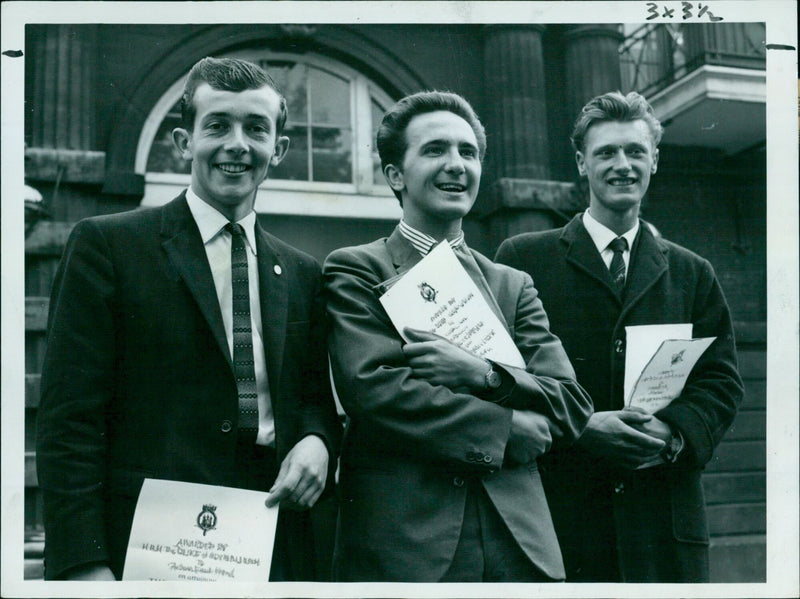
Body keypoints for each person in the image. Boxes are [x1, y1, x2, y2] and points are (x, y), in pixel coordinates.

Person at [36, 57, 342, 581]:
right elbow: (69, 420)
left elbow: (314, 398)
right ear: (183, 142)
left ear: (280, 149)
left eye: (256, 129)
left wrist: (318, 441)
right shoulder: (107, 246)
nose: (237, 144)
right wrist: (84, 566)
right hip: (147, 546)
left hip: (272, 541)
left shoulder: (302, 273)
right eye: (217, 125)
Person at [323, 90, 592, 582]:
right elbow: (376, 390)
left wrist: (485, 375)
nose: (456, 165)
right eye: (434, 150)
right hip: (408, 544)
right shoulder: (356, 269)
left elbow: (571, 403)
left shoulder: (512, 284)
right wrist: (506, 428)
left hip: (521, 543)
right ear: (395, 176)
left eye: (468, 152)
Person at [495, 91, 743, 582]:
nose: (622, 165)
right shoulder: (524, 258)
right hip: (563, 523)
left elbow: (721, 384)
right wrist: (582, 428)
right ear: (582, 164)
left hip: (662, 527)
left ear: (655, 159)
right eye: (606, 152)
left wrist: (672, 434)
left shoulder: (693, 272)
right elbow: (501, 377)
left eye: (635, 151)